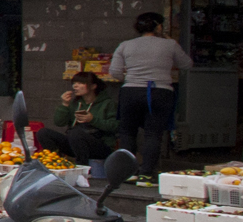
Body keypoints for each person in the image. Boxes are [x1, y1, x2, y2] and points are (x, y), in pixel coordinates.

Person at [110, 12, 194, 178]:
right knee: (153, 134)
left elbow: (115, 72)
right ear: (158, 26)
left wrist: (130, 79)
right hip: (160, 92)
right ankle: (146, 173)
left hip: (130, 92)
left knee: (127, 133)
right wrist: (171, 42)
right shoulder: (170, 45)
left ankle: (128, 173)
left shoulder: (125, 45)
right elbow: (187, 64)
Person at [41, 72, 118, 165]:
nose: (75, 86)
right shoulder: (76, 103)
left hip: (100, 146)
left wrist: (92, 119)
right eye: (74, 83)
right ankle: (56, 162)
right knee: (43, 133)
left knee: (76, 133)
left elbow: (115, 126)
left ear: (93, 86)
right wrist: (65, 104)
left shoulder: (108, 103)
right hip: (75, 143)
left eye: (80, 83)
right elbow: (59, 122)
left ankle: (82, 166)